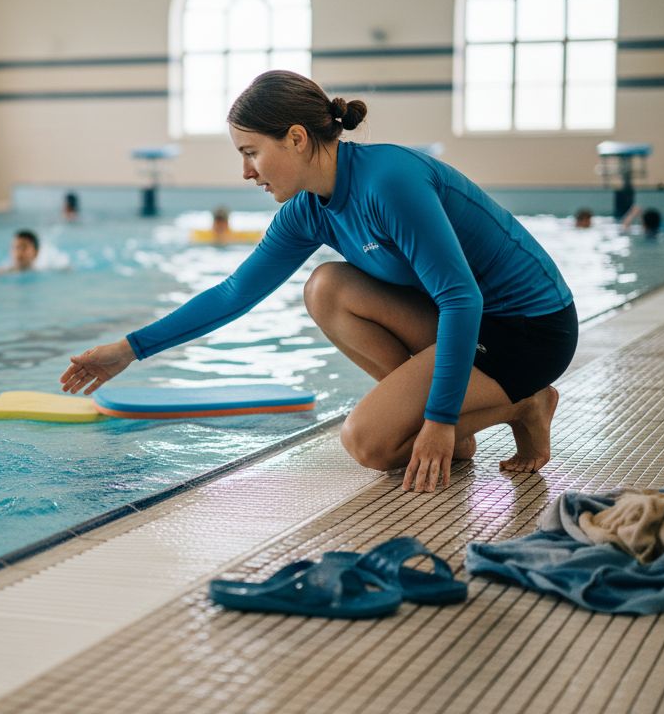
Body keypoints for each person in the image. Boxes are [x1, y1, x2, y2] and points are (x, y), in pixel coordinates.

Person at [60, 70, 577, 494]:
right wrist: (129, 350)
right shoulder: (308, 212)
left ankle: (524, 402)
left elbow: (461, 298)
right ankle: (457, 414)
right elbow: (234, 294)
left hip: (529, 329)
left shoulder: (389, 182)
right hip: (469, 322)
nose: (246, 171)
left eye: (250, 152)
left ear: (297, 138)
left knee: (369, 445)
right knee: (326, 287)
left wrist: (439, 419)